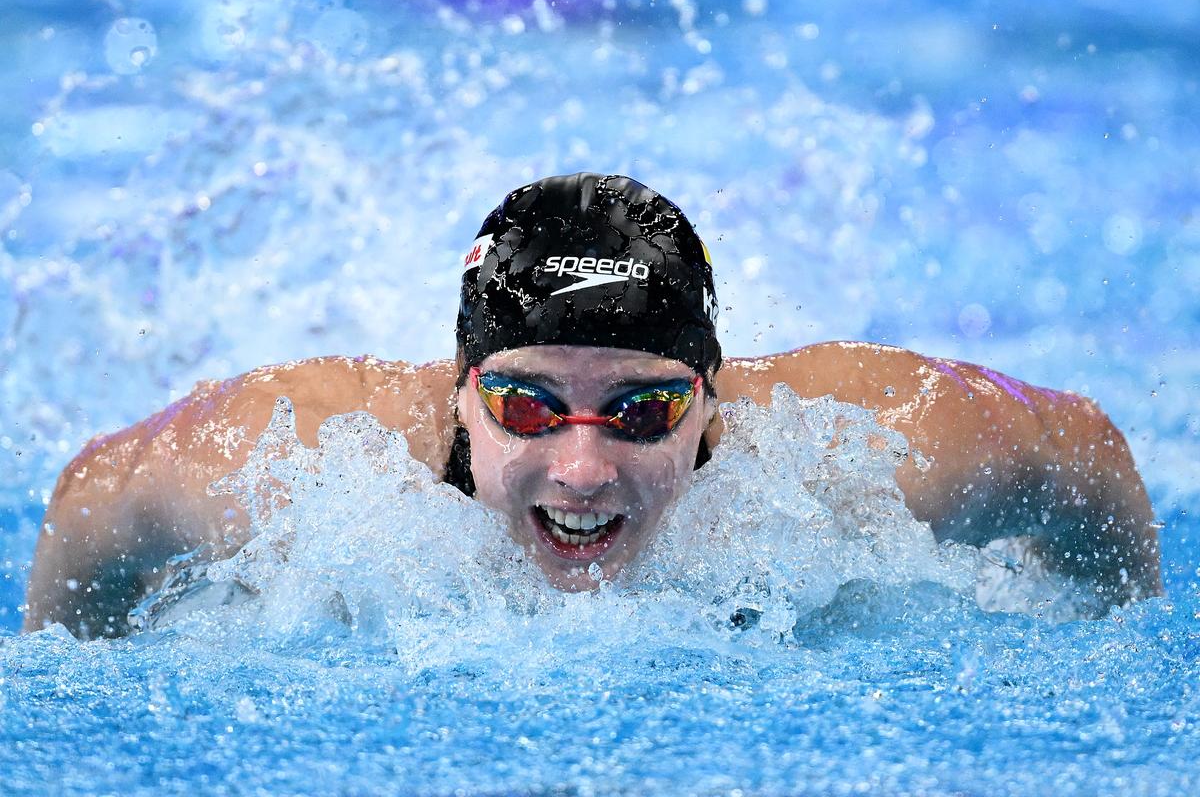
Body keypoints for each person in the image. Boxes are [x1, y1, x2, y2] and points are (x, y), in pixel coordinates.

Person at [23, 173, 1162, 638]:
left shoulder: (873, 449)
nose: (580, 469)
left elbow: (1089, 452)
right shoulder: (287, 458)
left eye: (640, 411)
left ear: (709, 397)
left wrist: (1116, 625)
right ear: (462, 387)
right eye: (526, 407)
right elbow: (88, 500)